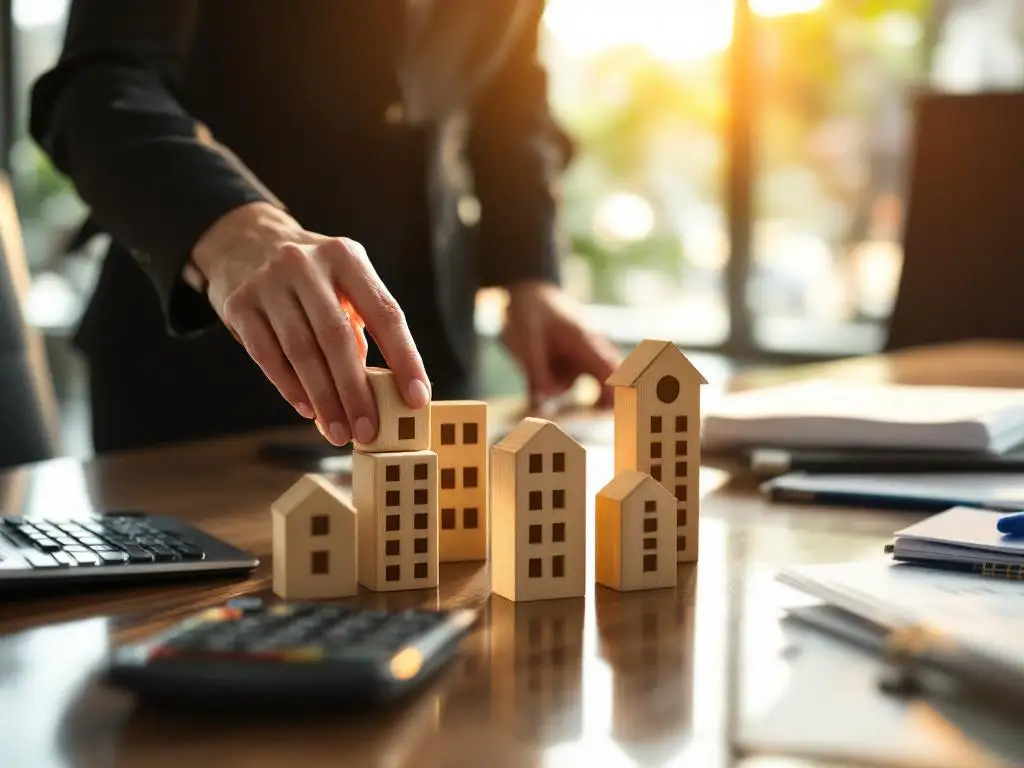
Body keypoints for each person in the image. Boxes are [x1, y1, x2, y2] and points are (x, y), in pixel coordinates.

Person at [30, 0, 621, 454]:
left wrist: (530, 271)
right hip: (200, 375)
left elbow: (511, 94)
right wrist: (237, 226)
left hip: (429, 345)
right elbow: (96, 82)